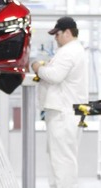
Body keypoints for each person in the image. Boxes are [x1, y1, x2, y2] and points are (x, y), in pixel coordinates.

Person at [31, 16, 89, 188]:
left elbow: (55, 76)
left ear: (68, 33)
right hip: (68, 111)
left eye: (57, 34)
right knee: (62, 158)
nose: (55, 38)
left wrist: (37, 68)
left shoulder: (70, 51)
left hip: (64, 113)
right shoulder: (74, 50)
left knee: (62, 159)